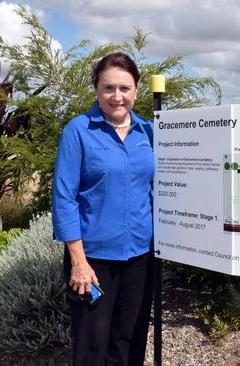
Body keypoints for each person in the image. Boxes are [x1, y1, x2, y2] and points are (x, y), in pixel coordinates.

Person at [52, 52, 154, 366]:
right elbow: (64, 198)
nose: (117, 96)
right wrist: (78, 262)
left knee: (130, 338)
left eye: (124, 88)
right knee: (91, 345)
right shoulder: (78, 132)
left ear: (136, 90)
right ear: (96, 89)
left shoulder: (149, 133)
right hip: (93, 259)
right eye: (108, 87)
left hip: (140, 257)